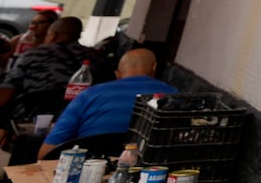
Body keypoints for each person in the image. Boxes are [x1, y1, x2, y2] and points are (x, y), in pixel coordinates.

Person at [38, 49, 176, 158]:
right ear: (154, 68)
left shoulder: (89, 94)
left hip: (86, 168)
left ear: (117, 74)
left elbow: (47, 152)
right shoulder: (174, 95)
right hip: (148, 173)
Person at [0, 16, 88, 147]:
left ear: (54, 35)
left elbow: (1, 100)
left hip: (29, 120)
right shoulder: (95, 56)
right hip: (78, 121)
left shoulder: (33, 55)